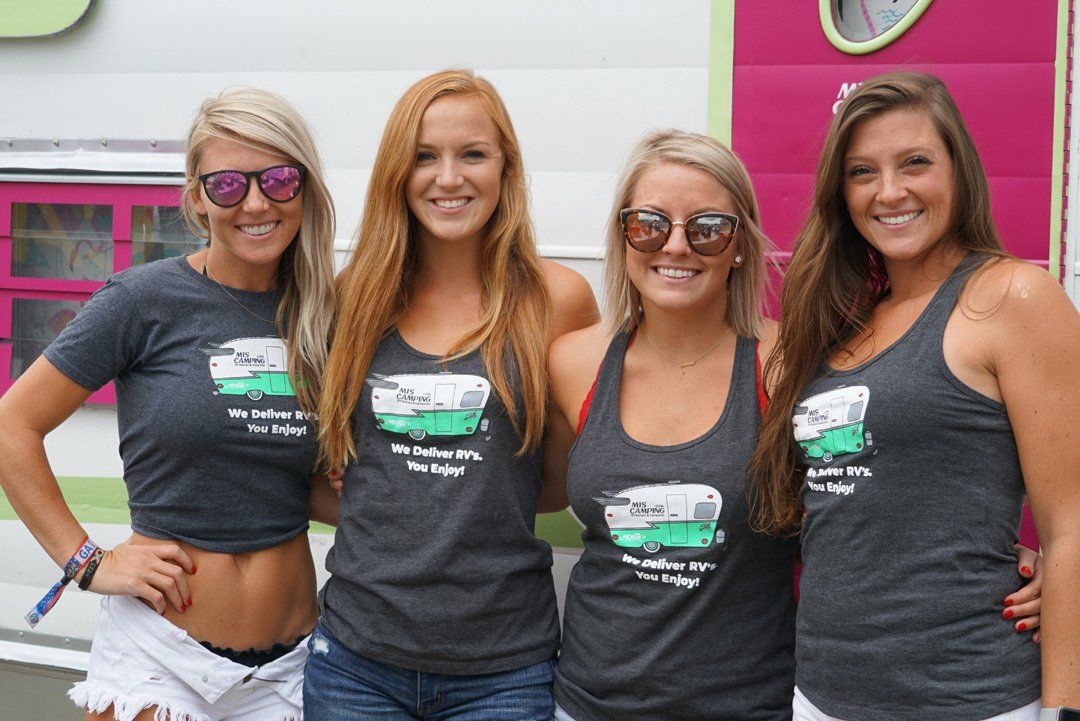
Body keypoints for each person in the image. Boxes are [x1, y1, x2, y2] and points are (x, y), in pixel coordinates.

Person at [543, 129, 1047, 721]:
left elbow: (880, 485)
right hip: (585, 702)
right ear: (624, 236)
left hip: (750, 703)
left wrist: (1027, 562)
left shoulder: (793, 366)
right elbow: (514, 491)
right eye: (649, 224)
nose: (675, 246)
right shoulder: (572, 362)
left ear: (738, 246)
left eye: (707, 228)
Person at [0, 87, 340, 721]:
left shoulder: (326, 315)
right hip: (160, 657)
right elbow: (11, 425)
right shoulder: (142, 301)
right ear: (196, 195)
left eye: (280, 179)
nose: (257, 203)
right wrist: (85, 561)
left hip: (294, 666)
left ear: (306, 188)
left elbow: (300, 483)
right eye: (228, 185)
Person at [750, 72, 1080, 721]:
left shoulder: (1012, 298)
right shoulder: (845, 322)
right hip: (822, 696)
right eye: (863, 171)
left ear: (958, 171)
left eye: (915, 163)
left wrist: (1064, 709)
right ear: (841, 193)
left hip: (968, 698)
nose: (890, 190)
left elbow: (1071, 524)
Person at [305, 69, 598, 721]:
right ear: (396, 172)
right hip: (356, 662)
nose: (448, 178)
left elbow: (555, 480)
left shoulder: (559, 301)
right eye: (424, 156)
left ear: (505, 168)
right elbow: (323, 457)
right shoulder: (353, 296)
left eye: (472, 154)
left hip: (504, 670)